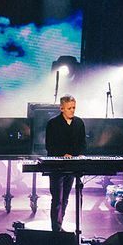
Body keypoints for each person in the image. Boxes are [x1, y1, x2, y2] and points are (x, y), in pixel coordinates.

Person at [45, 94, 86, 231]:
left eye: (74, 108)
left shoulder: (79, 123)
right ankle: (56, 229)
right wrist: (63, 154)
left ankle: (59, 225)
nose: (72, 110)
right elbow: (49, 145)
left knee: (66, 198)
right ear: (62, 108)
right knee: (57, 199)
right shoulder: (52, 123)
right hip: (57, 166)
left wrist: (80, 154)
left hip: (73, 165)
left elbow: (83, 143)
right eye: (69, 108)